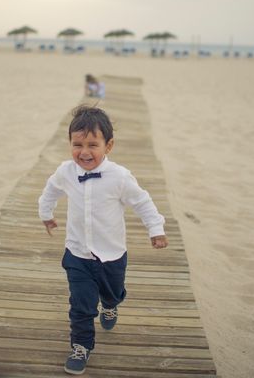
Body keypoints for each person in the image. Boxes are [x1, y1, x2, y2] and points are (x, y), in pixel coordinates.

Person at [38, 105, 168, 375]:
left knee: (113, 292)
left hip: (112, 254)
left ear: (108, 146)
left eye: (92, 145)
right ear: (70, 144)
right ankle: (81, 346)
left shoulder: (119, 177)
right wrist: (46, 213)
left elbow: (142, 202)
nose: (84, 152)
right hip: (77, 254)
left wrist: (155, 228)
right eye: (77, 144)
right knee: (81, 304)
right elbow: (50, 190)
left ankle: (110, 306)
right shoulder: (65, 171)